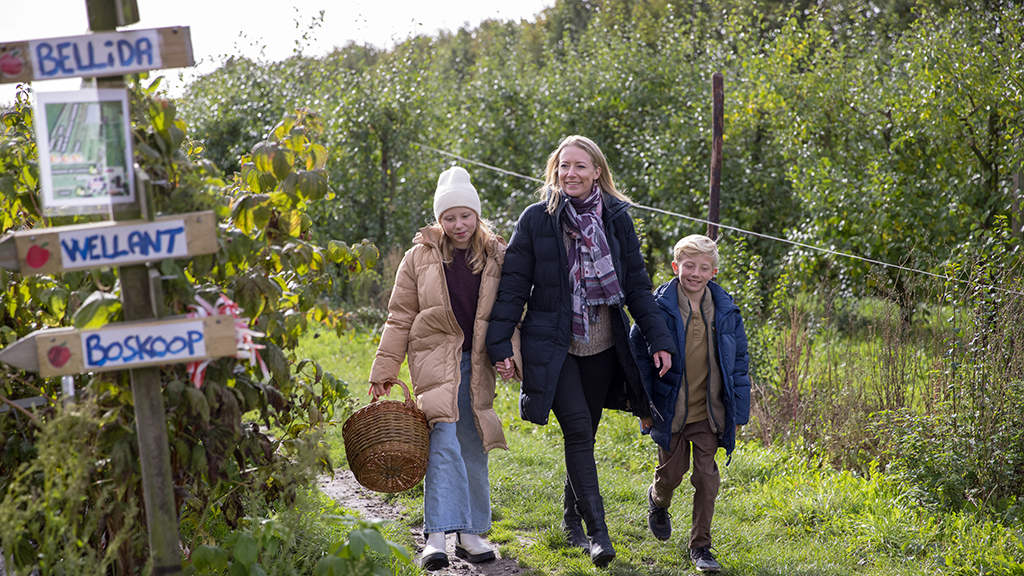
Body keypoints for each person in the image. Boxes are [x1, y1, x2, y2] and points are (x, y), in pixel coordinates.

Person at [486, 135, 675, 568]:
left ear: (597, 173)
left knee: (585, 436)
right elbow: (514, 286)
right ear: (554, 170)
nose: (571, 174)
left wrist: (659, 339)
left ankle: (572, 518)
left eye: (580, 167)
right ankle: (599, 534)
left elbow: (637, 287)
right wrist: (500, 344)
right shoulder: (537, 219)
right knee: (576, 432)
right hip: (554, 345)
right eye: (563, 166)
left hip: (604, 345)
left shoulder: (617, 219)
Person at [369, 166, 509, 571]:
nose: (458, 224)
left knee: (473, 444)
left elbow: (511, 313)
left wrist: (510, 352)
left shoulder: (498, 254)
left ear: (476, 215)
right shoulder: (419, 257)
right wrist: (385, 369)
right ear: (439, 219)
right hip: (434, 358)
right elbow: (399, 316)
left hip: (478, 361)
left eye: (465, 215)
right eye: (450, 217)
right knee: (443, 441)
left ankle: (470, 533)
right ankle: (435, 536)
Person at [629, 234, 751, 573]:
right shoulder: (657, 308)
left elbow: (738, 363)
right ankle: (657, 500)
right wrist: (643, 408)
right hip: (671, 410)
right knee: (672, 475)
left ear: (714, 272)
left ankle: (701, 546)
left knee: (706, 479)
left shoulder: (726, 311)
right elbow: (637, 359)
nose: (695, 273)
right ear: (675, 267)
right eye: (688, 266)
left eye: (703, 268)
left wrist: (737, 413)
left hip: (710, 412)